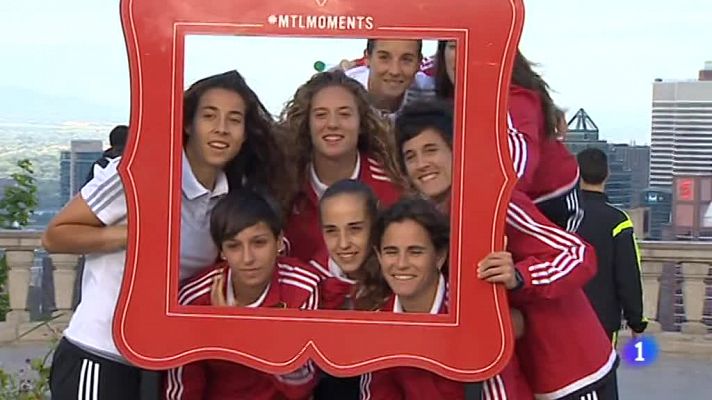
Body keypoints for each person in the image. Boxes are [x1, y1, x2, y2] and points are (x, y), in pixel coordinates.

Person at [42, 70, 290, 399]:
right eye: (209, 116)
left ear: (245, 133)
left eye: (234, 119)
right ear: (188, 123)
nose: (221, 128)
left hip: (160, 364)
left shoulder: (228, 201)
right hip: (101, 354)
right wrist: (134, 235)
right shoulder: (139, 173)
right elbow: (55, 235)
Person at [394, 100, 618, 399]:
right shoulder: (426, 219)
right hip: (517, 373)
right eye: (411, 156)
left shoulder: (497, 202)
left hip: (571, 372)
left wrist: (521, 276)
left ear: (455, 150)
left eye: (431, 150)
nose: (422, 164)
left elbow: (577, 254)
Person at [164, 191, 320, 400]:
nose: (248, 258)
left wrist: (240, 331)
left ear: (280, 242)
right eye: (234, 246)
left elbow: (301, 385)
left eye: (259, 243)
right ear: (221, 251)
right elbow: (181, 390)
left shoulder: (303, 288)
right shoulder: (195, 299)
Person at [433, 41, 583, 232]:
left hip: (548, 201)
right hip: (499, 201)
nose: (463, 56)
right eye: (453, 46)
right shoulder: (451, 93)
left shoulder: (514, 100)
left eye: (475, 47)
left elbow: (515, 168)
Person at [278, 70, 403, 263]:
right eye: (321, 115)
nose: (333, 124)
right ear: (307, 124)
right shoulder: (284, 188)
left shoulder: (391, 190)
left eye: (344, 114)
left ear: (361, 123)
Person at [359, 197, 470, 400]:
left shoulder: (469, 311)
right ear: (379, 256)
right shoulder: (378, 321)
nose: (401, 264)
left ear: (440, 256)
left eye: (415, 252)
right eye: (391, 252)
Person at [576, 148, 648, 399]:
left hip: (562, 314)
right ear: (607, 175)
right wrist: (636, 322)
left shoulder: (560, 218)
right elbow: (628, 276)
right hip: (602, 320)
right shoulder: (618, 221)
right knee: (601, 378)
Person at [309, 179, 383, 400]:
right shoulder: (312, 280)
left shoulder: (398, 273)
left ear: (375, 223)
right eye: (331, 231)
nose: (343, 244)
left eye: (355, 229)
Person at [345, 39, 435, 117]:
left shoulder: (430, 93)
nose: (395, 71)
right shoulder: (343, 90)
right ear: (367, 58)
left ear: (419, 62)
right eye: (384, 58)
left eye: (406, 59)